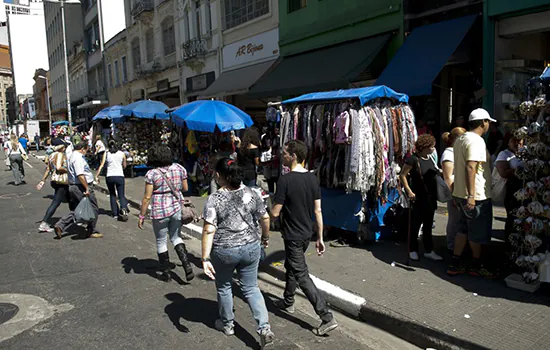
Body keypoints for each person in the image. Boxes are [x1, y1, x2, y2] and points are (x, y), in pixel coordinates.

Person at [201, 158, 275, 348]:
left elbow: (209, 229)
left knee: (224, 286)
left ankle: (227, 325)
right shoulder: (252, 193)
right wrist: (265, 238)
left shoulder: (214, 199)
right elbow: (265, 218)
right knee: (251, 288)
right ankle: (264, 328)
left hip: (224, 251)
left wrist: (205, 257)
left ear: (218, 176)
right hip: (251, 247)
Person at [270, 140, 338, 336]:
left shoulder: (285, 180)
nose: (281, 155)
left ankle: (326, 316)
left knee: (301, 274)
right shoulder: (312, 179)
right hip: (306, 234)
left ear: (293, 156)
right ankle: (288, 301)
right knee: (292, 266)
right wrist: (320, 237)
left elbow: (275, 213)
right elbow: (318, 210)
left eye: (284, 153)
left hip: (292, 234)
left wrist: (263, 210)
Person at [447, 108, 495, 278]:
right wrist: (472, 195)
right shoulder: (476, 141)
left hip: (461, 193)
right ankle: (476, 265)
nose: (489, 125)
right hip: (476, 196)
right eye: (488, 122)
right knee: (477, 232)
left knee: (463, 229)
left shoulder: (461, 139)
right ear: (483, 122)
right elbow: (470, 166)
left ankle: (456, 262)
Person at [138, 144, 194, 282]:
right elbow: (185, 188)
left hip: (160, 211)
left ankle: (166, 273)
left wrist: (141, 216)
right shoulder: (179, 168)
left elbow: (147, 197)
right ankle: (187, 265)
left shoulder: (152, 174)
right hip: (176, 209)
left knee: (161, 241)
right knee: (176, 237)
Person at [399, 134, 444, 262]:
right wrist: (409, 191)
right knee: (415, 225)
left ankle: (429, 250)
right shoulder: (413, 160)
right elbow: (402, 175)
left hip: (430, 197)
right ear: (425, 147)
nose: (433, 148)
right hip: (418, 197)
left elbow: (435, 171)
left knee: (428, 225)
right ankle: (413, 249)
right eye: (432, 146)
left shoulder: (430, 158)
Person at [54, 141, 102, 239]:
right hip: (80, 186)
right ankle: (91, 230)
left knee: (79, 209)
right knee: (93, 208)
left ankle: (61, 225)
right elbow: (80, 174)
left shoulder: (71, 156)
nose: (86, 152)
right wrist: (87, 188)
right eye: (86, 150)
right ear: (82, 149)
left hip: (74, 185)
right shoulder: (78, 158)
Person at [440, 127, 467, 251]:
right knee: (455, 220)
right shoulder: (448, 154)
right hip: (455, 192)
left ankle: (457, 244)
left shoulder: (458, 152)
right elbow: (448, 177)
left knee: (460, 220)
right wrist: (454, 195)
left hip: (462, 191)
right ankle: (451, 245)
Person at [37, 139, 71, 232]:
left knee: (71, 198)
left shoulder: (51, 155)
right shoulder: (60, 155)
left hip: (54, 181)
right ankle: (44, 222)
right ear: (61, 147)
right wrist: (69, 169)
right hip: (62, 181)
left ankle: (76, 217)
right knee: (56, 202)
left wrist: (43, 180)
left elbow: (48, 169)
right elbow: (59, 168)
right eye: (64, 146)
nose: (65, 148)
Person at [495, 132, 524, 239]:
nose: (517, 143)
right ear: (508, 142)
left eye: (519, 140)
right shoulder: (504, 154)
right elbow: (503, 172)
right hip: (512, 189)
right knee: (512, 215)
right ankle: (510, 240)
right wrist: (519, 170)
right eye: (514, 140)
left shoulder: (525, 151)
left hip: (525, 188)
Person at [96, 139, 129, 221]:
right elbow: (124, 165)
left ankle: (115, 213)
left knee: (112, 194)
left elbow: (102, 165)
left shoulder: (106, 154)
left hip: (110, 176)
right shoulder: (122, 154)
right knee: (121, 194)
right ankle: (123, 208)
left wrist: (97, 175)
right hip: (119, 175)